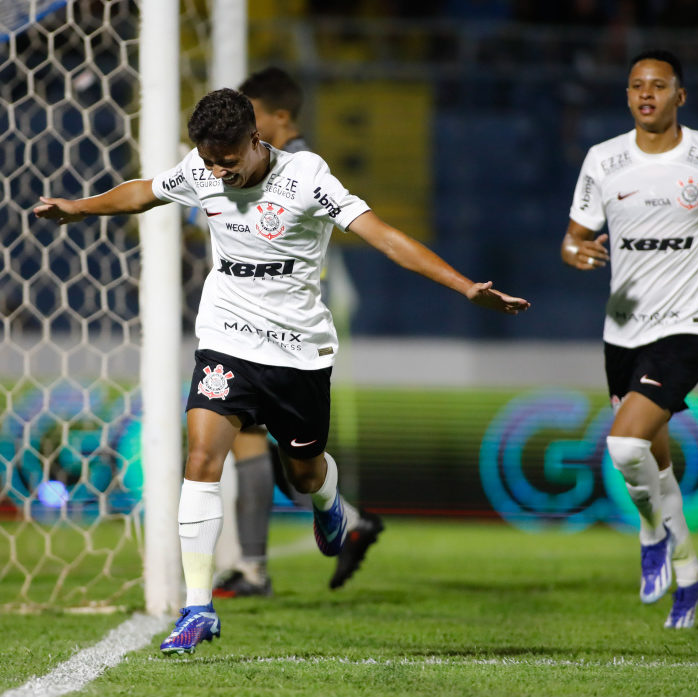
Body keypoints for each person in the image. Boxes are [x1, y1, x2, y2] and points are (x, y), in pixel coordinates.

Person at [35, 88, 530, 654]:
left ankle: (331, 508)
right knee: (200, 456)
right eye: (210, 161)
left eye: (229, 161)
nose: (218, 173)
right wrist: (76, 207)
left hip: (299, 354)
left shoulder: (307, 177)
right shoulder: (203, 167)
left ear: (257, 140)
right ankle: (197, 608)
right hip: (226, 340)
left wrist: (466, 287)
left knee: (305, 475)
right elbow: (142, 193)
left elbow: (382, 236)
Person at [561, 49, 698, 629]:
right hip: (622, 330)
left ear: (681, 95)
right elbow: (573, 237)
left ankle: (653, 536)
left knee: (624, 447)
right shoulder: (604, 160)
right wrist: (577, 251)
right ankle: (691, 571)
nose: (645, 94)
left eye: (658, 85)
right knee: (654, 461)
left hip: (689, 324)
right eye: (635, 86)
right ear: (627, 96)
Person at [211, 67, 383, 600]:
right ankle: (343, 523)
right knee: (278, 456)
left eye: (252, 115)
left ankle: (256, 568)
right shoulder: (253, 164)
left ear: (278, 118)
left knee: (259, 446)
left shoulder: (301, 169)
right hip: (260, 323)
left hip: (288, 330)